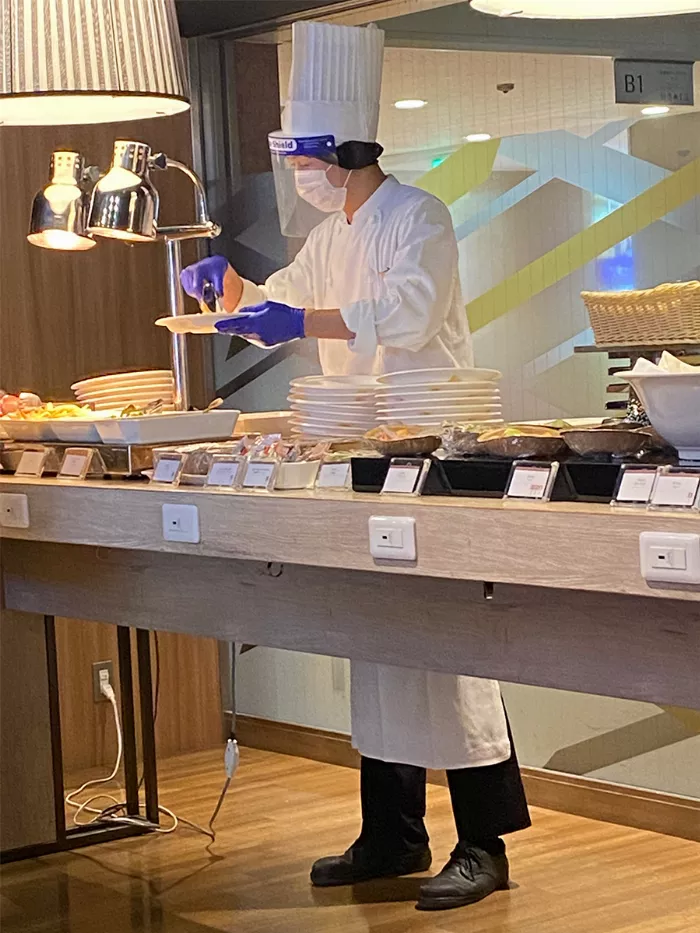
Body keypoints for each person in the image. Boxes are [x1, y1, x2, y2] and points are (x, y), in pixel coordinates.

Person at [181, 20, 530, 912]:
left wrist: (299, 325)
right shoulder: (333, 233)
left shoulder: (419, 215)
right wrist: (227, 292)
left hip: (436, 450)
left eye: (304, 158)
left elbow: (405, 317)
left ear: (343, 150)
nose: (298, 174)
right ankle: (392, 831)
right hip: (364, 453)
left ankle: (483, 843)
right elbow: (286, 300)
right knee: (374, 638)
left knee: (448, 647)